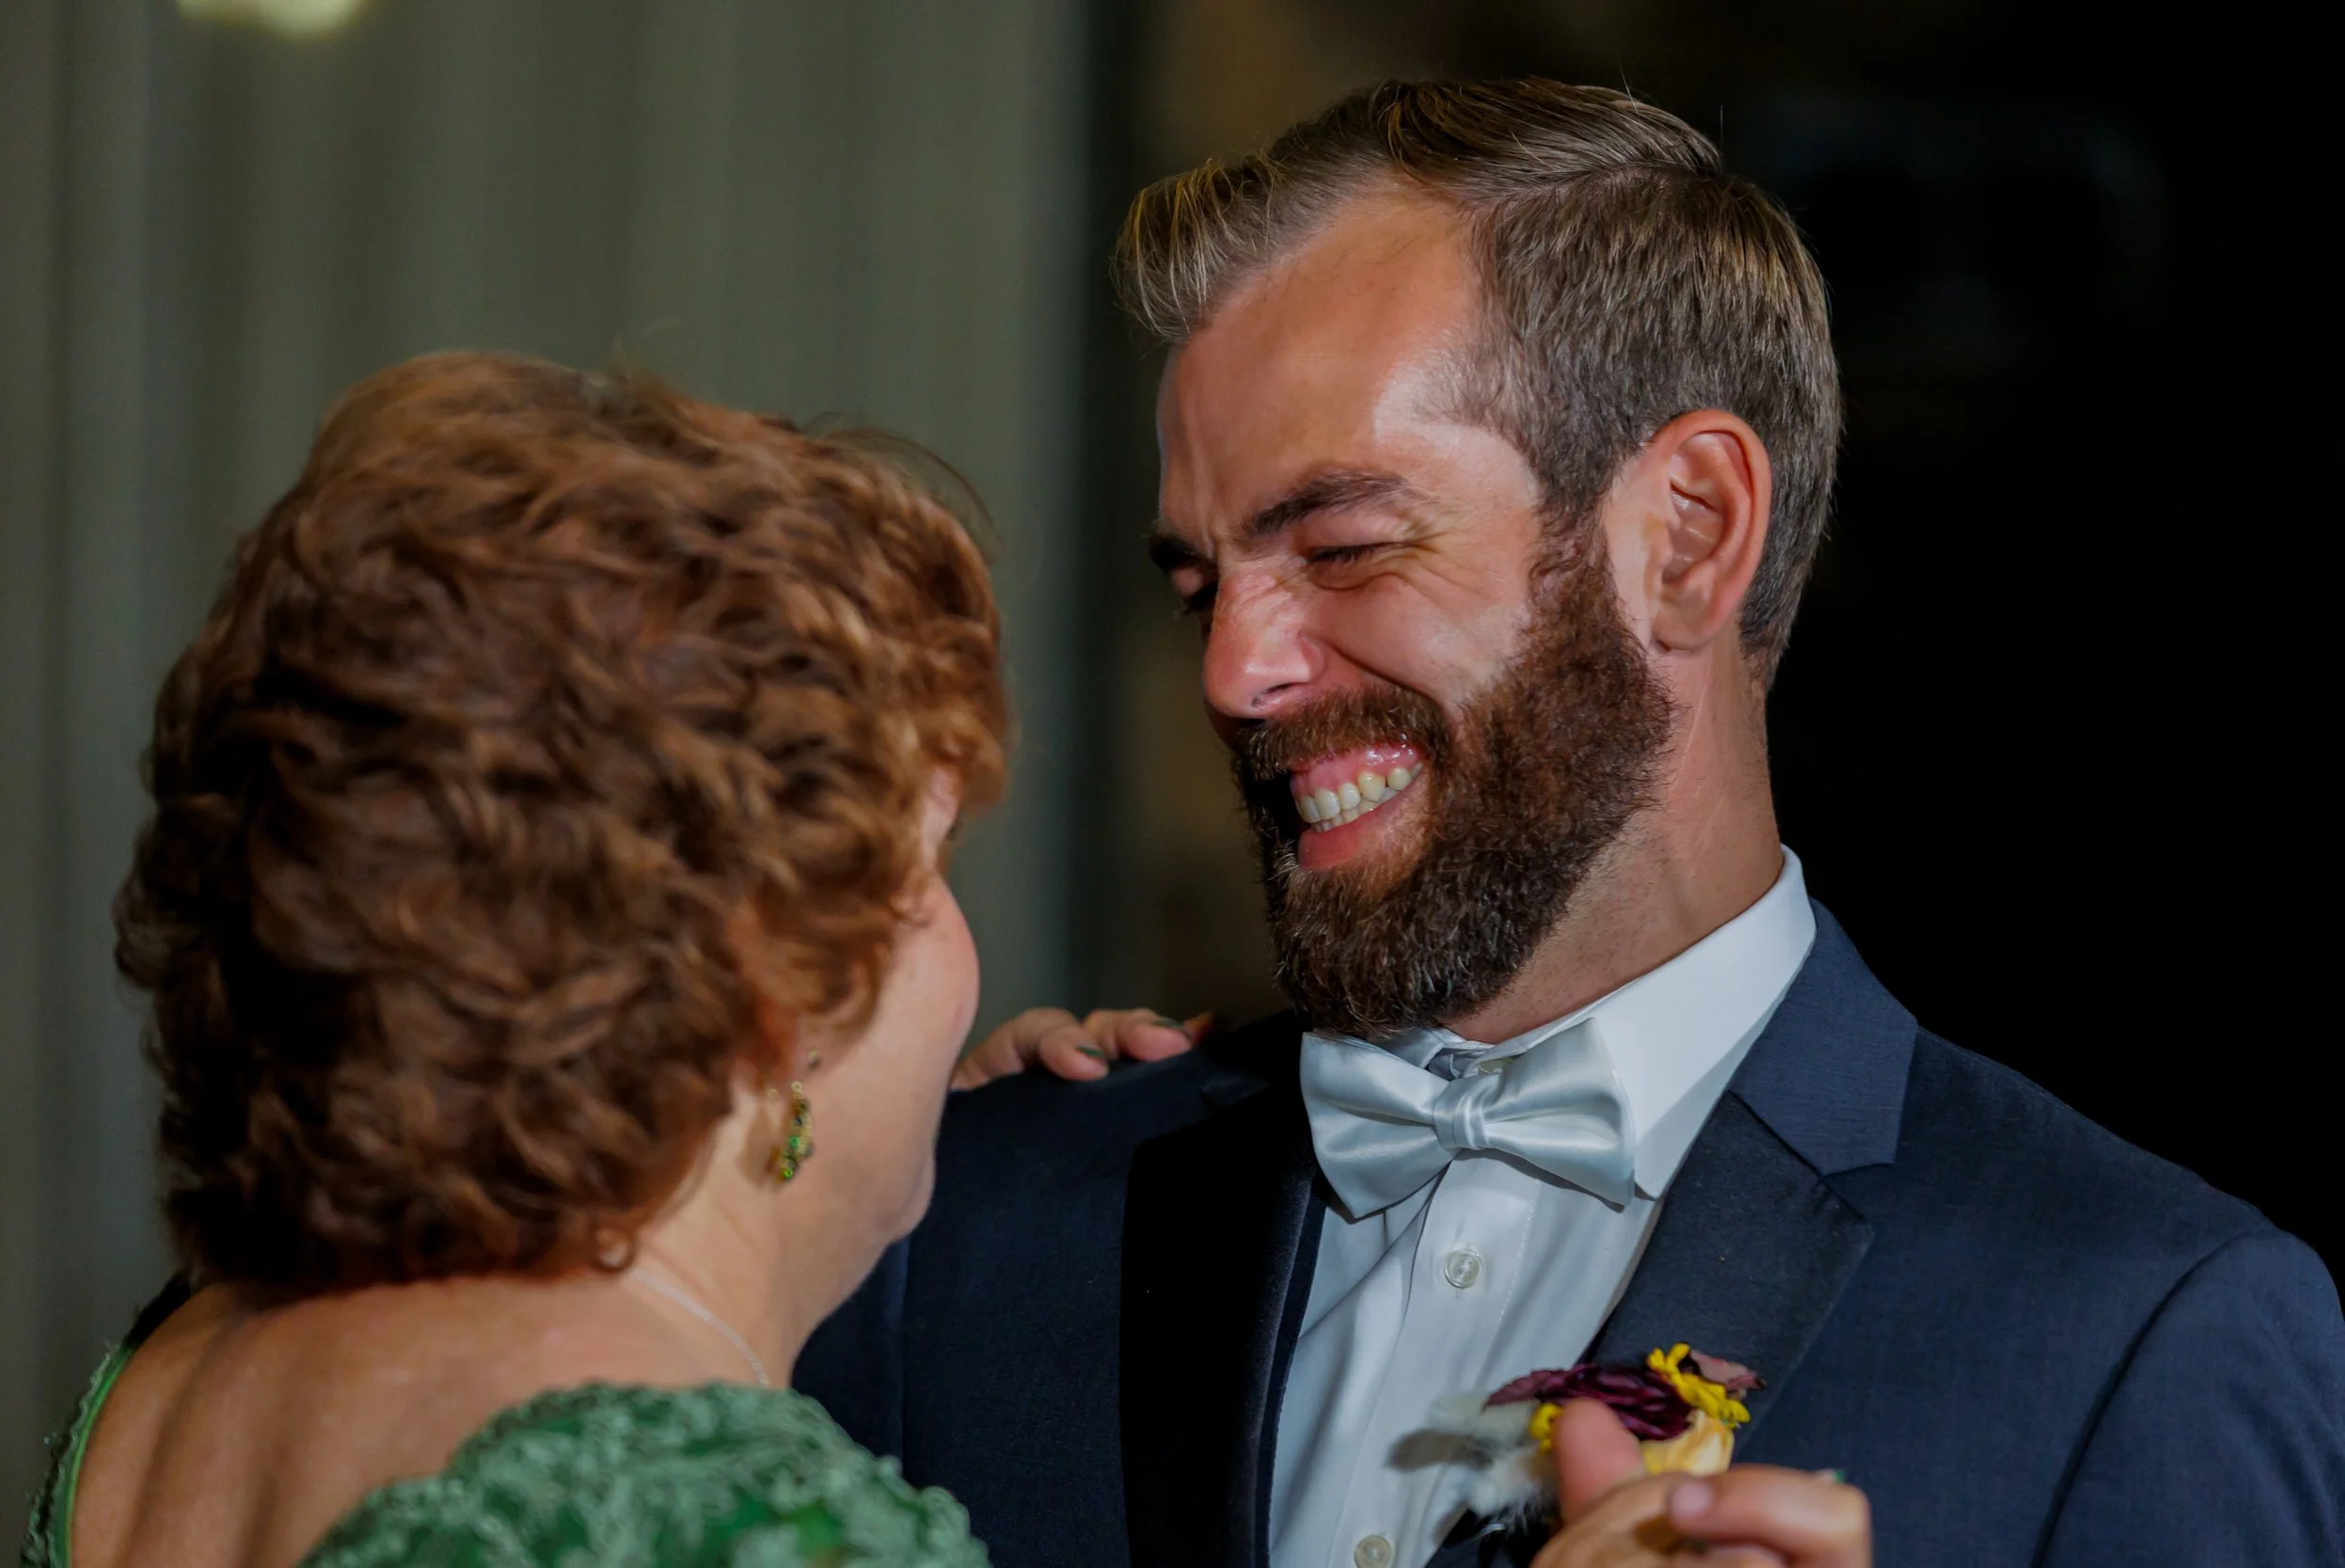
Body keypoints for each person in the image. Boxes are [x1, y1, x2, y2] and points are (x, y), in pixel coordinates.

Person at [795, 80, 2345, 1568]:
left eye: (1343, 546)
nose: (1233, 672)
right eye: (1202, 584)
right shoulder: (974, 1222)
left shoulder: (2133, 1331)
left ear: (1687, 536)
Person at [24, 352, 1023, 1567]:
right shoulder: (725, 1519)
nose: (965, 950)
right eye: (931, 860)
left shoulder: (175, 1376)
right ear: (771, 968)